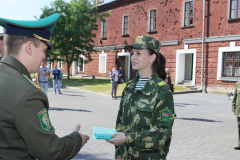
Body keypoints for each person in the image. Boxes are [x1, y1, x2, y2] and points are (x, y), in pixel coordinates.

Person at [0, 14, 89, 159]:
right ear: (29, 47)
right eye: (43, 50)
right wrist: (77, 139)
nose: (44, 57)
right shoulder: (28, 93)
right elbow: (51, 151)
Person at [107, 35, 175, 160]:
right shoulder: (129, 87)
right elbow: (120, 124)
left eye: (138, 53)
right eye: (132, 53)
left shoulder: (162, 91)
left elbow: (160, 135)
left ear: (152, 58)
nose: (133, 57)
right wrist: (118, 154)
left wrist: (126, 138)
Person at [232, 82, 240, 150]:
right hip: (239, 111)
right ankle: (239, 144)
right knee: (239, 128)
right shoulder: (238, 84)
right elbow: (234, 97)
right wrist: (233, 108)